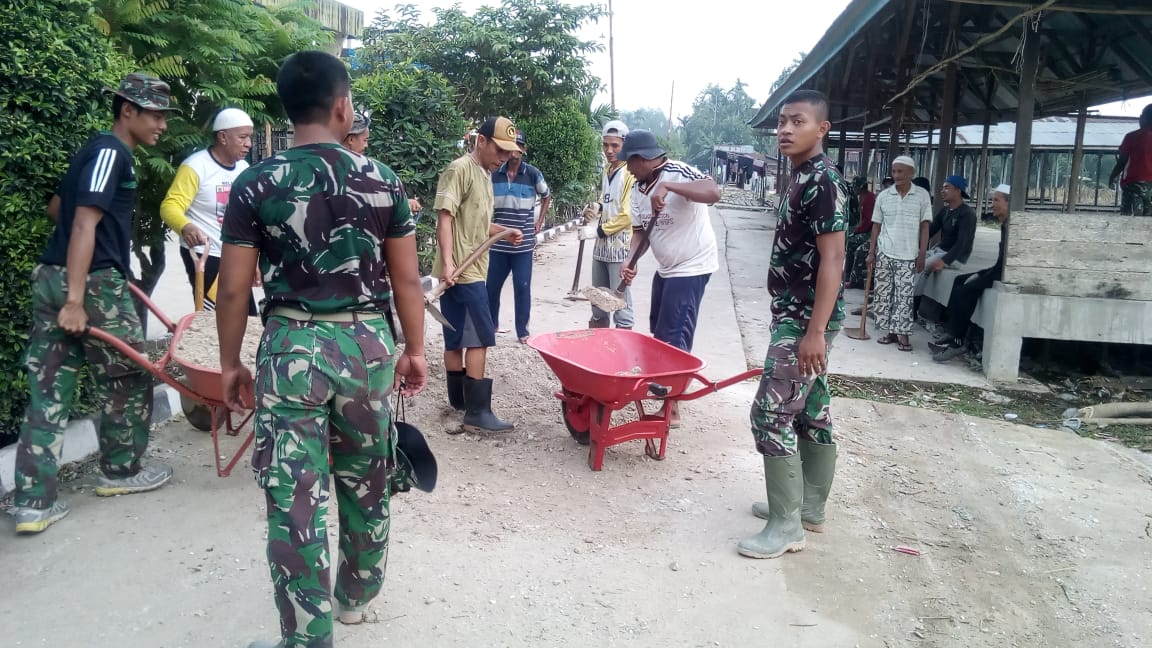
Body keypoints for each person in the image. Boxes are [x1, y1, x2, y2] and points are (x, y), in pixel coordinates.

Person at [215, 51, 428, 648]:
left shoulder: (255, 183)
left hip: (290, 350)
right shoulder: (382, 179)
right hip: (367, 345)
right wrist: (415, 349)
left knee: (294, 493)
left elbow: (233, 288)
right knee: (367, 474)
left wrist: (230, 363)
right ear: (342, 107)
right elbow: (407, 280)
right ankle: (357, 596)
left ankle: (310, 634)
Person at [10, 73, 180, 535]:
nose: (162, 126)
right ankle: (119, 472)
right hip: (90, 285)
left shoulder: (93, 151)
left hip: (53, 275)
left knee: (48, 392)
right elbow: (83, 223)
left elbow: (56, 209)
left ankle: (33, 502)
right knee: (127, 378)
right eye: (156, 115)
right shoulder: (112, 152)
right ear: (128, 110)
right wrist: (76, 298)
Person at [739, 89, 847, 560]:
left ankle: (787, 527)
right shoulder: (802, 175)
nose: (785, 129)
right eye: (782, 121)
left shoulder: (823, 180)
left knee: (771, 412)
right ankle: (810, 509)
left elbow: (835, 258)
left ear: (821, 129)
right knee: (810, 409)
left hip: (805, 319)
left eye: (797, 121)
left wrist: (815, 332)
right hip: (796, 314)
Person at [619, 130, 721, 427]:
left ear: (644, 159)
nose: (627, 168)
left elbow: (713, 193)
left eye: (630, 162)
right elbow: (641, 232)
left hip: (692, 264)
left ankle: (672, 405)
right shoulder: (638, 189)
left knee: (674, 335)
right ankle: (665, 390)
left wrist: (670, 187)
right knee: (659, 331)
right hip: (666, 267)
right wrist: (630, 259)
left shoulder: (678, 171)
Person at [433, 116, 523, 433]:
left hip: (465, 269)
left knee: (456, 338)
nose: (504, 157)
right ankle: (476, 413)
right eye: (499, 149)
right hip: (462, 272)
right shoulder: (460, 170)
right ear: (480, 141)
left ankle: (459, 403)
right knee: (479, 339)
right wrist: (447, 263)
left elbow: (478, 225)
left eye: (508, 152)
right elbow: (445, 217)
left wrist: (504, 231)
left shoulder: (484, 175)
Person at [160, 107, 258, 314]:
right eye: (243, 137)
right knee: (216, 320)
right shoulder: (196, 167)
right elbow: (170, 206)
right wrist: (186, 227)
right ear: (222, 137)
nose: (248, 144)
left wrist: (253, 258)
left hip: (236, 255)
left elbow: (249, 217)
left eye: (250, 137)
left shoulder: (243, 169)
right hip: (206, 256)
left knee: (248, 316)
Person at [932, 185, 1012, 362]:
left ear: (1009, 203)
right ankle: (951, 330)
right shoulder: (1005, 224)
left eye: (996, 200)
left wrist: (983, 275)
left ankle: (957, 342)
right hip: (999, 270)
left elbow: (1007, 266)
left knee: (964, 291)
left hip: (1007, 274)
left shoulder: (1014, 227)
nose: (992, 204)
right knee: (959, 281)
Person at [487, 129, 551, 343]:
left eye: (519, 146)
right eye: (511, 145)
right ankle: (491, 325)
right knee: (492, 287)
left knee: (522, 286)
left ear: (523, 150)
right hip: (498, 243)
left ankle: (522, 332)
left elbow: (546, 195)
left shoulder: (533, 174)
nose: (515, 150)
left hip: (523, 245)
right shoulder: (494, 174)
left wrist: (539, 221)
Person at [867, 156, 932, 352]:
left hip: (908, 254)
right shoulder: (884, 196)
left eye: (901, 171)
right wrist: (872, 252)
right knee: (884, 295)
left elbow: (925, 227)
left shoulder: (922, 196)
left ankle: (903, 334)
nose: (896, 175)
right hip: (885, 251)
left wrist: (922, 254)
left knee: (904, 297)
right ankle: (891, 332)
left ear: (911, 173)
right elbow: (876, 226)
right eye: (894, 171)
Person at [586, 119, 636, 329]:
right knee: (598, 297)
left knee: (619, 301)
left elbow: (627, 215)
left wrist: (599, 230)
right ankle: (599, 345)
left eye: (614, 145)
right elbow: (608, 200)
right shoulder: (608, 170)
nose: (609, 150)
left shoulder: (629, 173)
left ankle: (623, 344)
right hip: (602, 246)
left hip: (619, 245)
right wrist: (596, 206)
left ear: (624, 145)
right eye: (606, 145)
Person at [914, 175, 977, 305]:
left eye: (947, 188)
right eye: (942, 188)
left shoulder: (967, 214)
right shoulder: (945, 210)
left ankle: (913, 307)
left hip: (955, 256)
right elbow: (930, 231)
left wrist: (944, 261)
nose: (942, 191)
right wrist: (917, 250)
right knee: (913, 261)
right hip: (939, 251)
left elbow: (962, 243)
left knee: (922, 267)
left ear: (958, 191)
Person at [1109, 104, 1152, 216]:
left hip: (1134, 184)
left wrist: (1112, 176)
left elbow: (1122, 162)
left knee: (1130, 222)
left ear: (1143, 118)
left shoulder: (1132, 137)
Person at [845, 175, 876, 289]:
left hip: (871, 232)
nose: (853, 189)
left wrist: (856, 231)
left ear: (859, 188)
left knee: (852, 244)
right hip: (866, 229)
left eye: (855, 187)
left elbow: (868, 222)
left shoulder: (869, 199)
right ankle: (848, 275)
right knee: (848, 239)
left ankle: (852, 278)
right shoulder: (862, 197)